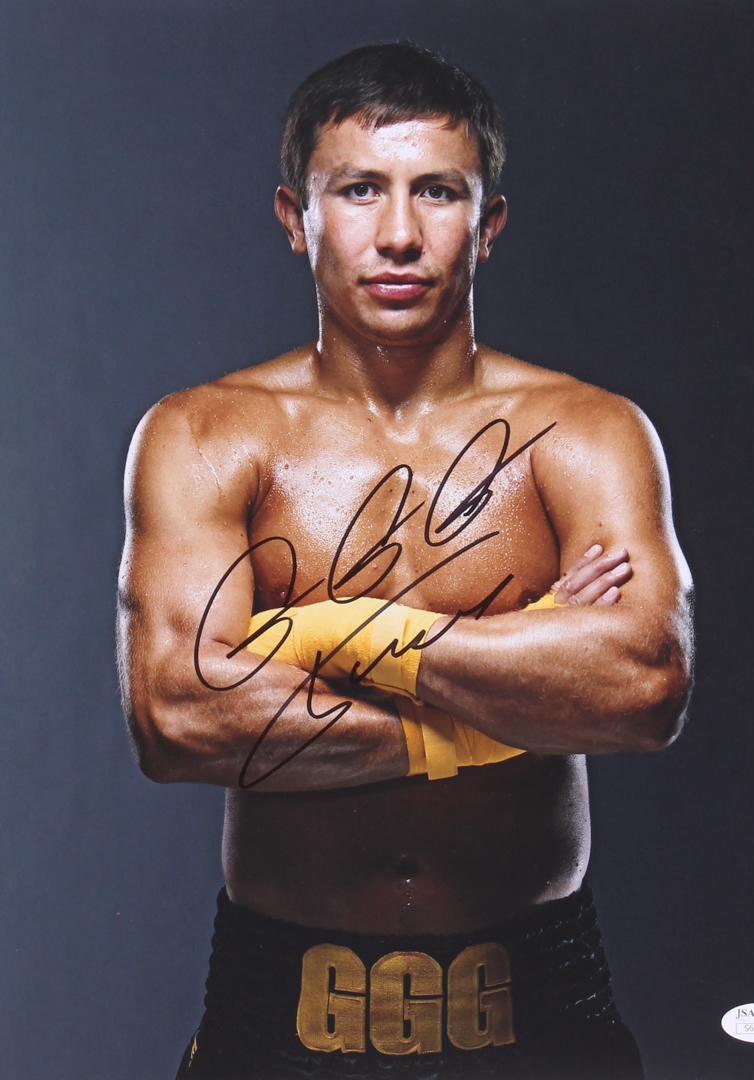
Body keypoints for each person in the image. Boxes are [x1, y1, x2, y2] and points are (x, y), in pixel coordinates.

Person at [117, 42, 693, 1080]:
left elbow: (643, 687)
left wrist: (338, 633)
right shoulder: (205, 435)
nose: (397, 234)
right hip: (280, 1010)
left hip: (540, 999)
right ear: (296, 218)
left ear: (488, 223)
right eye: (358, 190)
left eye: (437, 191)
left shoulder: (585, 433)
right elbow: (179, 716)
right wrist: (515, 679)